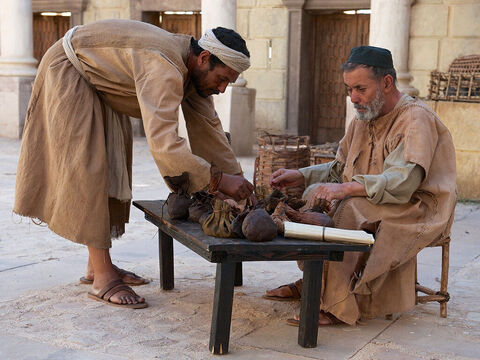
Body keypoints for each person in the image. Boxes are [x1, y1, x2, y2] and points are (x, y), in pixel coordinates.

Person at [14, 19, 254, 309]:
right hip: (70, 71)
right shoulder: (164, 67)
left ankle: (97, 267)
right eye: (222, 79)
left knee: (113, 166)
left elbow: (211, 132)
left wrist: (241, 186)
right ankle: (103, 278)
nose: (224, 89)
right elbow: (164, 144)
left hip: (101, 83)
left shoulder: (196, 74)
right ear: (204, 58)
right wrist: (217, 182)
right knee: (90, 170)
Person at [264, 46, 457, 325]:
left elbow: (403, 183)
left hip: (418, 206)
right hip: (380, 200)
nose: (353, 98)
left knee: (350, 208)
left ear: (387, 83)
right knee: (312, 198)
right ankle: (315, 282)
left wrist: (346, 189)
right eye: (348, 89)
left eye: (360, 89)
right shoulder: (362, 118)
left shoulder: (416, 118)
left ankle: (336, 305)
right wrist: (302, 175)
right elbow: (341, 169)